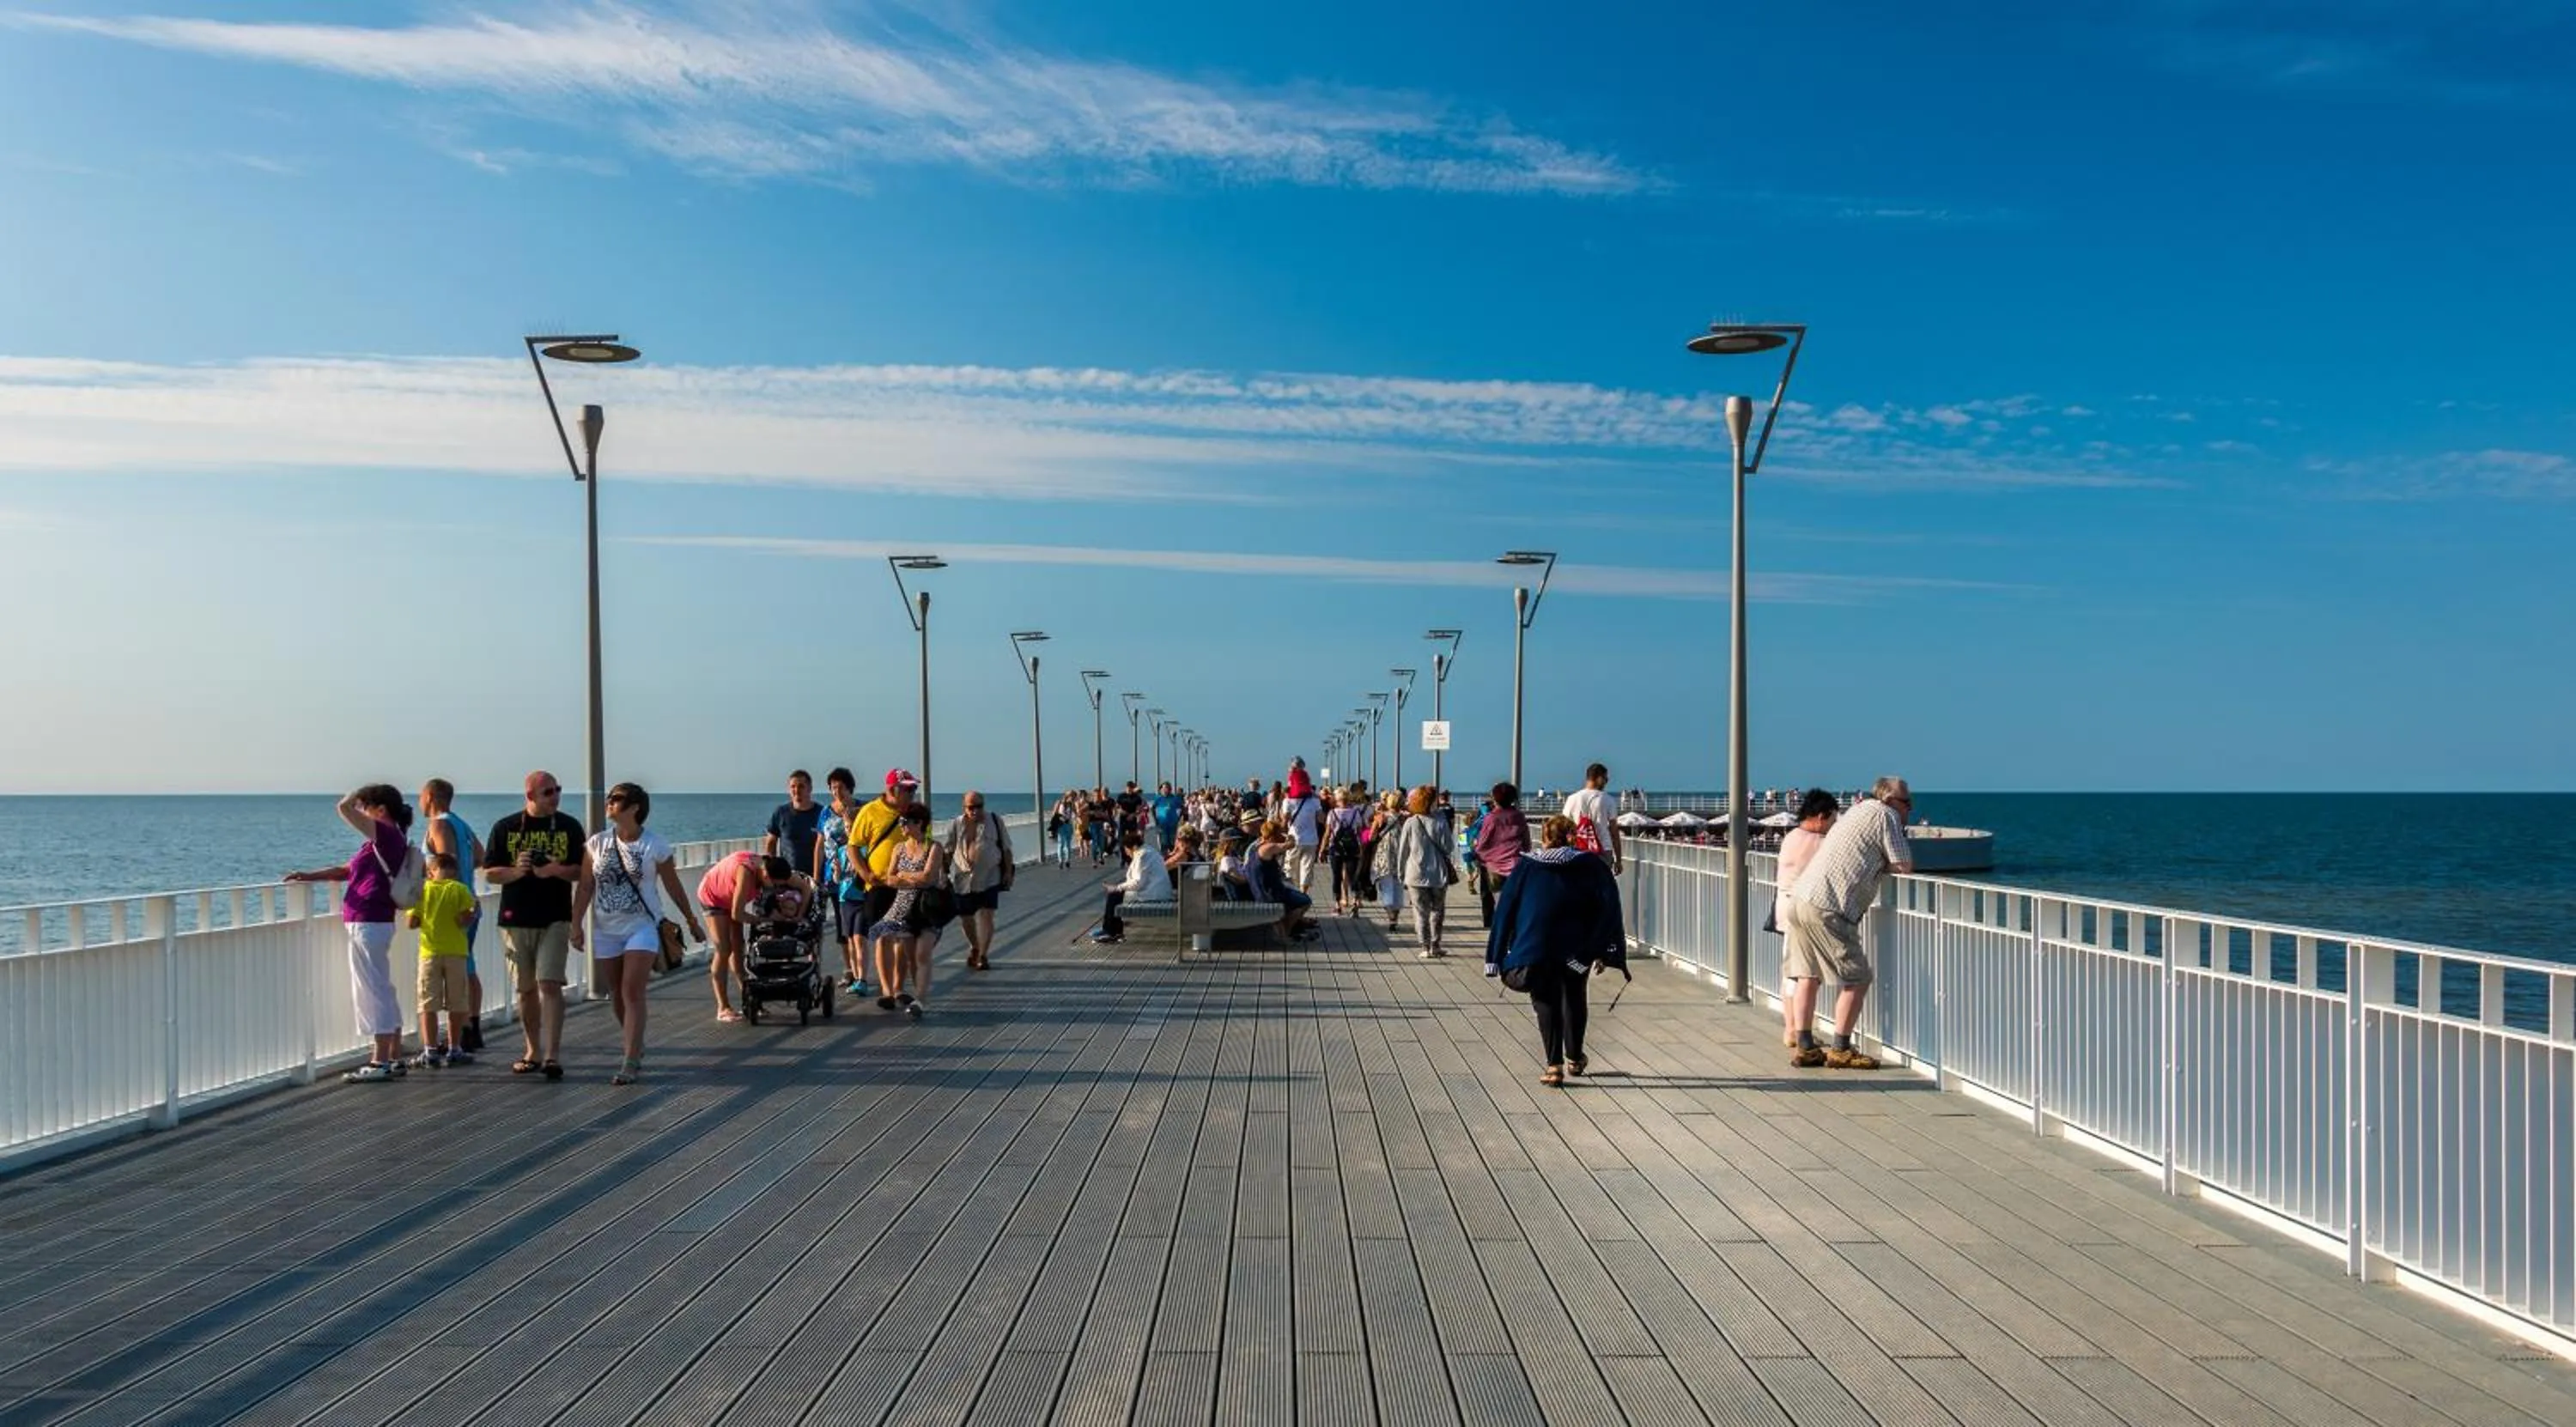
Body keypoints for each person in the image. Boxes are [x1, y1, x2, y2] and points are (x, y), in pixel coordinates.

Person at [283, 785, 416, 1083]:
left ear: (380, 809)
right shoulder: (385, 841)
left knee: (372, 989)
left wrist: (358, 790)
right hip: (372, 921)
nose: (362, 813)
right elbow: (349, 871)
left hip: (369, 920)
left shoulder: (386, 833)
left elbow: (343, 809)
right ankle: (392, 1056)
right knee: (381, 986)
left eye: (366, 807)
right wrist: (310, 876)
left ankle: (380, 1060)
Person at [1782, 776, 1916, 1070]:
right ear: (1891, 800)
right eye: (1907, 803)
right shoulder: (1886, 815)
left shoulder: (1856, 810)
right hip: (1830, 907)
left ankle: (1806, 1046)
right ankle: (1841, 1048)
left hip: (1801, 899)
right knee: (1858, 978)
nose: (1909, 809)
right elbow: (1904, 865)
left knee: (1808, 975)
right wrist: (1881, 863)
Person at [572, 783, 701, 1084]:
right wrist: (575, 923)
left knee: (632, 990)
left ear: (634, 808)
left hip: (642, 926)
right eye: (609, 799)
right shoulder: (597, 844)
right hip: (606, 929)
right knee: (616, 993)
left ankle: (629, 1060)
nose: (609, 803)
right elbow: (586, 887)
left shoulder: (654, 846)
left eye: (616, 800)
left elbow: (672, 885)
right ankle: (635, 1042)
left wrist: (691, 920)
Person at [1485, 815, 1628, 1087]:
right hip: (1578, 948)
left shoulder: (1526, 867)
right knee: (1574, 996)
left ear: (1545, 838)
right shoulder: (1591, 865)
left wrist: (1495, 957)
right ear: (1573, 836)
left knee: (1545, 1000)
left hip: (1535, 946)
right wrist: (1603, 948)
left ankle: (1554, 1066)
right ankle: (1575, 1057)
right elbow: (1609, 908)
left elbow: (1505, 911)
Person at [482, 771, 585, 1080]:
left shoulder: (568, 827)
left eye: (558, 790)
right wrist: (517, 871)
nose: (555, 796)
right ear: (530, 796)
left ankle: (552, 1054)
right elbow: (489, 872)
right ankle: (532, 1051)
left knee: (550, 984)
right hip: (515, 918)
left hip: (555, 916)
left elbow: (581, 872)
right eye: (548, 792)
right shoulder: (506, 827)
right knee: (525, 989)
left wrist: (555, 869)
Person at [416, 779, 484, 1053]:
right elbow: (480, 855)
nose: (419, 801)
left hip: (450, 908)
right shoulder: (461, 823)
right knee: (467, 964)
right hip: (468, 901)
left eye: (421, 796)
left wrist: (427, 874)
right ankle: (472, 1029)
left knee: (457, 969)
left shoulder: (439, 824)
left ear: (431, 795)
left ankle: (463, 1032)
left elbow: (446, 863)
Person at [696, 850, 801, 1023]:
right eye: (774, 885)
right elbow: (738, 914)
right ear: (766, 875)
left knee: (738, 948)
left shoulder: (769, 865)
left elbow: (802, 886)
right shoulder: (746, 874)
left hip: (731, 897)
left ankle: (750, 999)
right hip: (713, 896)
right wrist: (763, 920)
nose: (775, 889)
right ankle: (723, 1007)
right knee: (724, 949)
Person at [1772, 789, 1840, 1048]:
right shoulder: (1816, 842)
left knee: (1791, 973)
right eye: (1832, 820)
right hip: (1805, 914)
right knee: (1803, 975)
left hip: (1787, 911)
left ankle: (1792, 1029)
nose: (1833, 826)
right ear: (1821, 817)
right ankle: (1795, 1031)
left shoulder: (1791, 837)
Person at [868, 805, 951, 1017]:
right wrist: (914, 876)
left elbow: (929, 878)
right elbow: (890, 878)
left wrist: (904, 875)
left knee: (921, 953)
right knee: (890, 941)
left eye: (905, 822)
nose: (901, 826)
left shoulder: (934, 848)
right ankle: (894, 992)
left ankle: (920, 1000)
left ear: (919, 823)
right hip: (902, 908)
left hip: (926, 908)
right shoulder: (899, 848)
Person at [409, 850, 479, 1067]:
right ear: (455, 872)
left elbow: (412, 923)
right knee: (456, 1003)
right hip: (457, 952)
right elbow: (463, 920)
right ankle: (454, 1048)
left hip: (429, 953)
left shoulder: (422, 890)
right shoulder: (460, 889)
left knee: (428, 1003)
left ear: (431, 872)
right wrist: (472, 911)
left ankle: (430, 1050)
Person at [945, 791, 1015, 973]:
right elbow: (948, 851)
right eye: (971, 807)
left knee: (987, 915)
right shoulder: (956, 824)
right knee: (966, 918)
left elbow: (1006, 848)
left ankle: (983, 955)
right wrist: (942, 874)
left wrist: (1007, 872)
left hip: (990, 876)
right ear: (964, 807)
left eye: (979, 806)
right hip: (963, 879)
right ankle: (975, 946)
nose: (975, 810)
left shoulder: (995, 821)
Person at [814, 768, 870, 999]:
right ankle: (850, 970)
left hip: (858, 874)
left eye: (841, 787)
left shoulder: (863, 809)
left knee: (860, 928)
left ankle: (861, 973)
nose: (837, 792)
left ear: (850, 788)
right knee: (842, 926)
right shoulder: (826, 812)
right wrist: (816, 875)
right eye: (833, 787)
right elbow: (819, 843)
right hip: (834, 876)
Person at [1389, 785, 1456, 957]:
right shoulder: (1440, 821)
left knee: (1420, 912)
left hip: (1415, 874)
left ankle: (1425, 947)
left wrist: (1400, 873)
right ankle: (1436, 945)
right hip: (1438, 874)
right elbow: (1449, 847)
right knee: (1437, 910)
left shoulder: (1411, 822)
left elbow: (1403, 850)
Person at [1093, 827, 1172, 945]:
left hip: (1154, 894)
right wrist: (1119, 887)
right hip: (1154, 889)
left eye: (1126, 849)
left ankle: (1110, 931)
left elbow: (1137, 882)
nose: (1126, 852)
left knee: (1114, 895)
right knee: (1116, 894)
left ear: (1133, 847)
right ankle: (1114, 931)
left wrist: (1117, 887)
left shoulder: (1142, 856)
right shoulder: (1148, 851)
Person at [1472, 781, 1530, 930]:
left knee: (1499, 901)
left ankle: (1501, 932)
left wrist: (1476, 852)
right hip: (1516, 864)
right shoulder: (1519, 816)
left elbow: (1483, 843)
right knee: (1516, 903)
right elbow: (1526, 842)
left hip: (1494, 866)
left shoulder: (1491, 818)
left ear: (1495, 799)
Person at [1249, 819, 1319, 940]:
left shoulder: (1258, 845)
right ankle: (1286, 933)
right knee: (1305, 901)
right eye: (1279, 834)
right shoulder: (1268, 847)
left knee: (1294, 897)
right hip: (1269, 894)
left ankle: (1290, 930)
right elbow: (1291, 844)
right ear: (1274, 835)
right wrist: (1289, 834)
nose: (1281, 836)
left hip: (1264, 890)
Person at [1560, 762, 1623, 874]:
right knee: (1600, 886)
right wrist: (1618, 860)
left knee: (1579, 885)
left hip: (1578, 850)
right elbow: (1614, 832)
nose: (1606, 782)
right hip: (1603, 850)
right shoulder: (1608, 800)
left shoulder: (1572, 799)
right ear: (1598, 778)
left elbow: (1562, 827)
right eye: (1605, 778)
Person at [766, 769, 823, 878]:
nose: (796, 790)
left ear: (810, 789)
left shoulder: (821, 813)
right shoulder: (781, 813)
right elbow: (771, 842)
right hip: (789, 877)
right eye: (793, 786)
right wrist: (772, 870)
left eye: (801, 786)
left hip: (817, 877)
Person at [1323, 787, 1369, 917]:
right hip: (1352, 848)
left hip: (1336, 848)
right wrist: (1361, 848)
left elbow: (1327, 833)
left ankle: (1338, 906)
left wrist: (1322, 849)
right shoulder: (1356, 813)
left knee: (1337, 876)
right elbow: (1360, 833)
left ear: (1337, 799)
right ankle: (1355, 903)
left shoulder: (1332, 813)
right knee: (1353, 876)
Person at [1282, 776, 1326, 893]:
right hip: (1311, 840)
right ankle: (1303, 893)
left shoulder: (1288, 801)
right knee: (1307, 868)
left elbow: (1284, 821)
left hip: (1293, 839)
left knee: (1290, 867)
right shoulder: (1315, 801)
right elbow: (1322, 819)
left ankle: (1291, 891)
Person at [1049, 792, 1077, 868]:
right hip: (1061, 825)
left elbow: (1075, 814)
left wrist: (1075, 819)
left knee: (1067, 844)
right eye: (1073, 797)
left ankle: (1067, 860)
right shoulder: (1059, 802)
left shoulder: (1072, 804)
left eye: (1074, 797)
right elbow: (1054, 813)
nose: (1073, 799)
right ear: (1068, 796)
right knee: (1060, 843)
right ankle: (1060, 861)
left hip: (1069, 825)